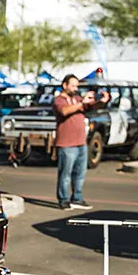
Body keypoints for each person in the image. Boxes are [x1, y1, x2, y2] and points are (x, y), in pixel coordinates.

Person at [52, 74, 96, 211]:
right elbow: (64, 111)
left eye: (77, 86)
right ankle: (63, 199)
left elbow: (91, 107)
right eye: (73, 85)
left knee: (80, 174)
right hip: (66, 144)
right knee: (65, 174)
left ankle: (77, 198)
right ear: (65, 85)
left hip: (81, 143)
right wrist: (82, 103)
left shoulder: (77, 99)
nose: (75, 89)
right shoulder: (59, 100)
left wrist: (102, 100)